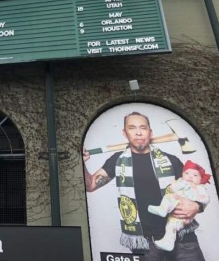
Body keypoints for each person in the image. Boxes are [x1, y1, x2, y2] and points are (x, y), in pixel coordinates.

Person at [83, 112, 206, 261]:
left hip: (182, 237)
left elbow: (197, 190)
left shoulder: (170, 160)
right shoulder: (117, 160)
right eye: (132, 128)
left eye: (143, 128)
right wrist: (81, 162)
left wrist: (197, 206)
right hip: (145, 243)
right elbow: (90, 185)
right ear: (124, 133)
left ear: (150, 132)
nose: (139, 132)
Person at [148, 160, 210, 251]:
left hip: (182, 213)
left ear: (201, 179)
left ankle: (168, 242)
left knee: (171, 226)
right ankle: (162, 209)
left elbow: (205, 199)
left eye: (195, 175)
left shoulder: (200, 188)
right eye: (187, 173)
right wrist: (181, 185)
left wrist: (196, 202)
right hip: (173, 205)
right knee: (168, 197)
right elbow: (172, 188)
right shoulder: (180, 182)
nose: (190, 176)